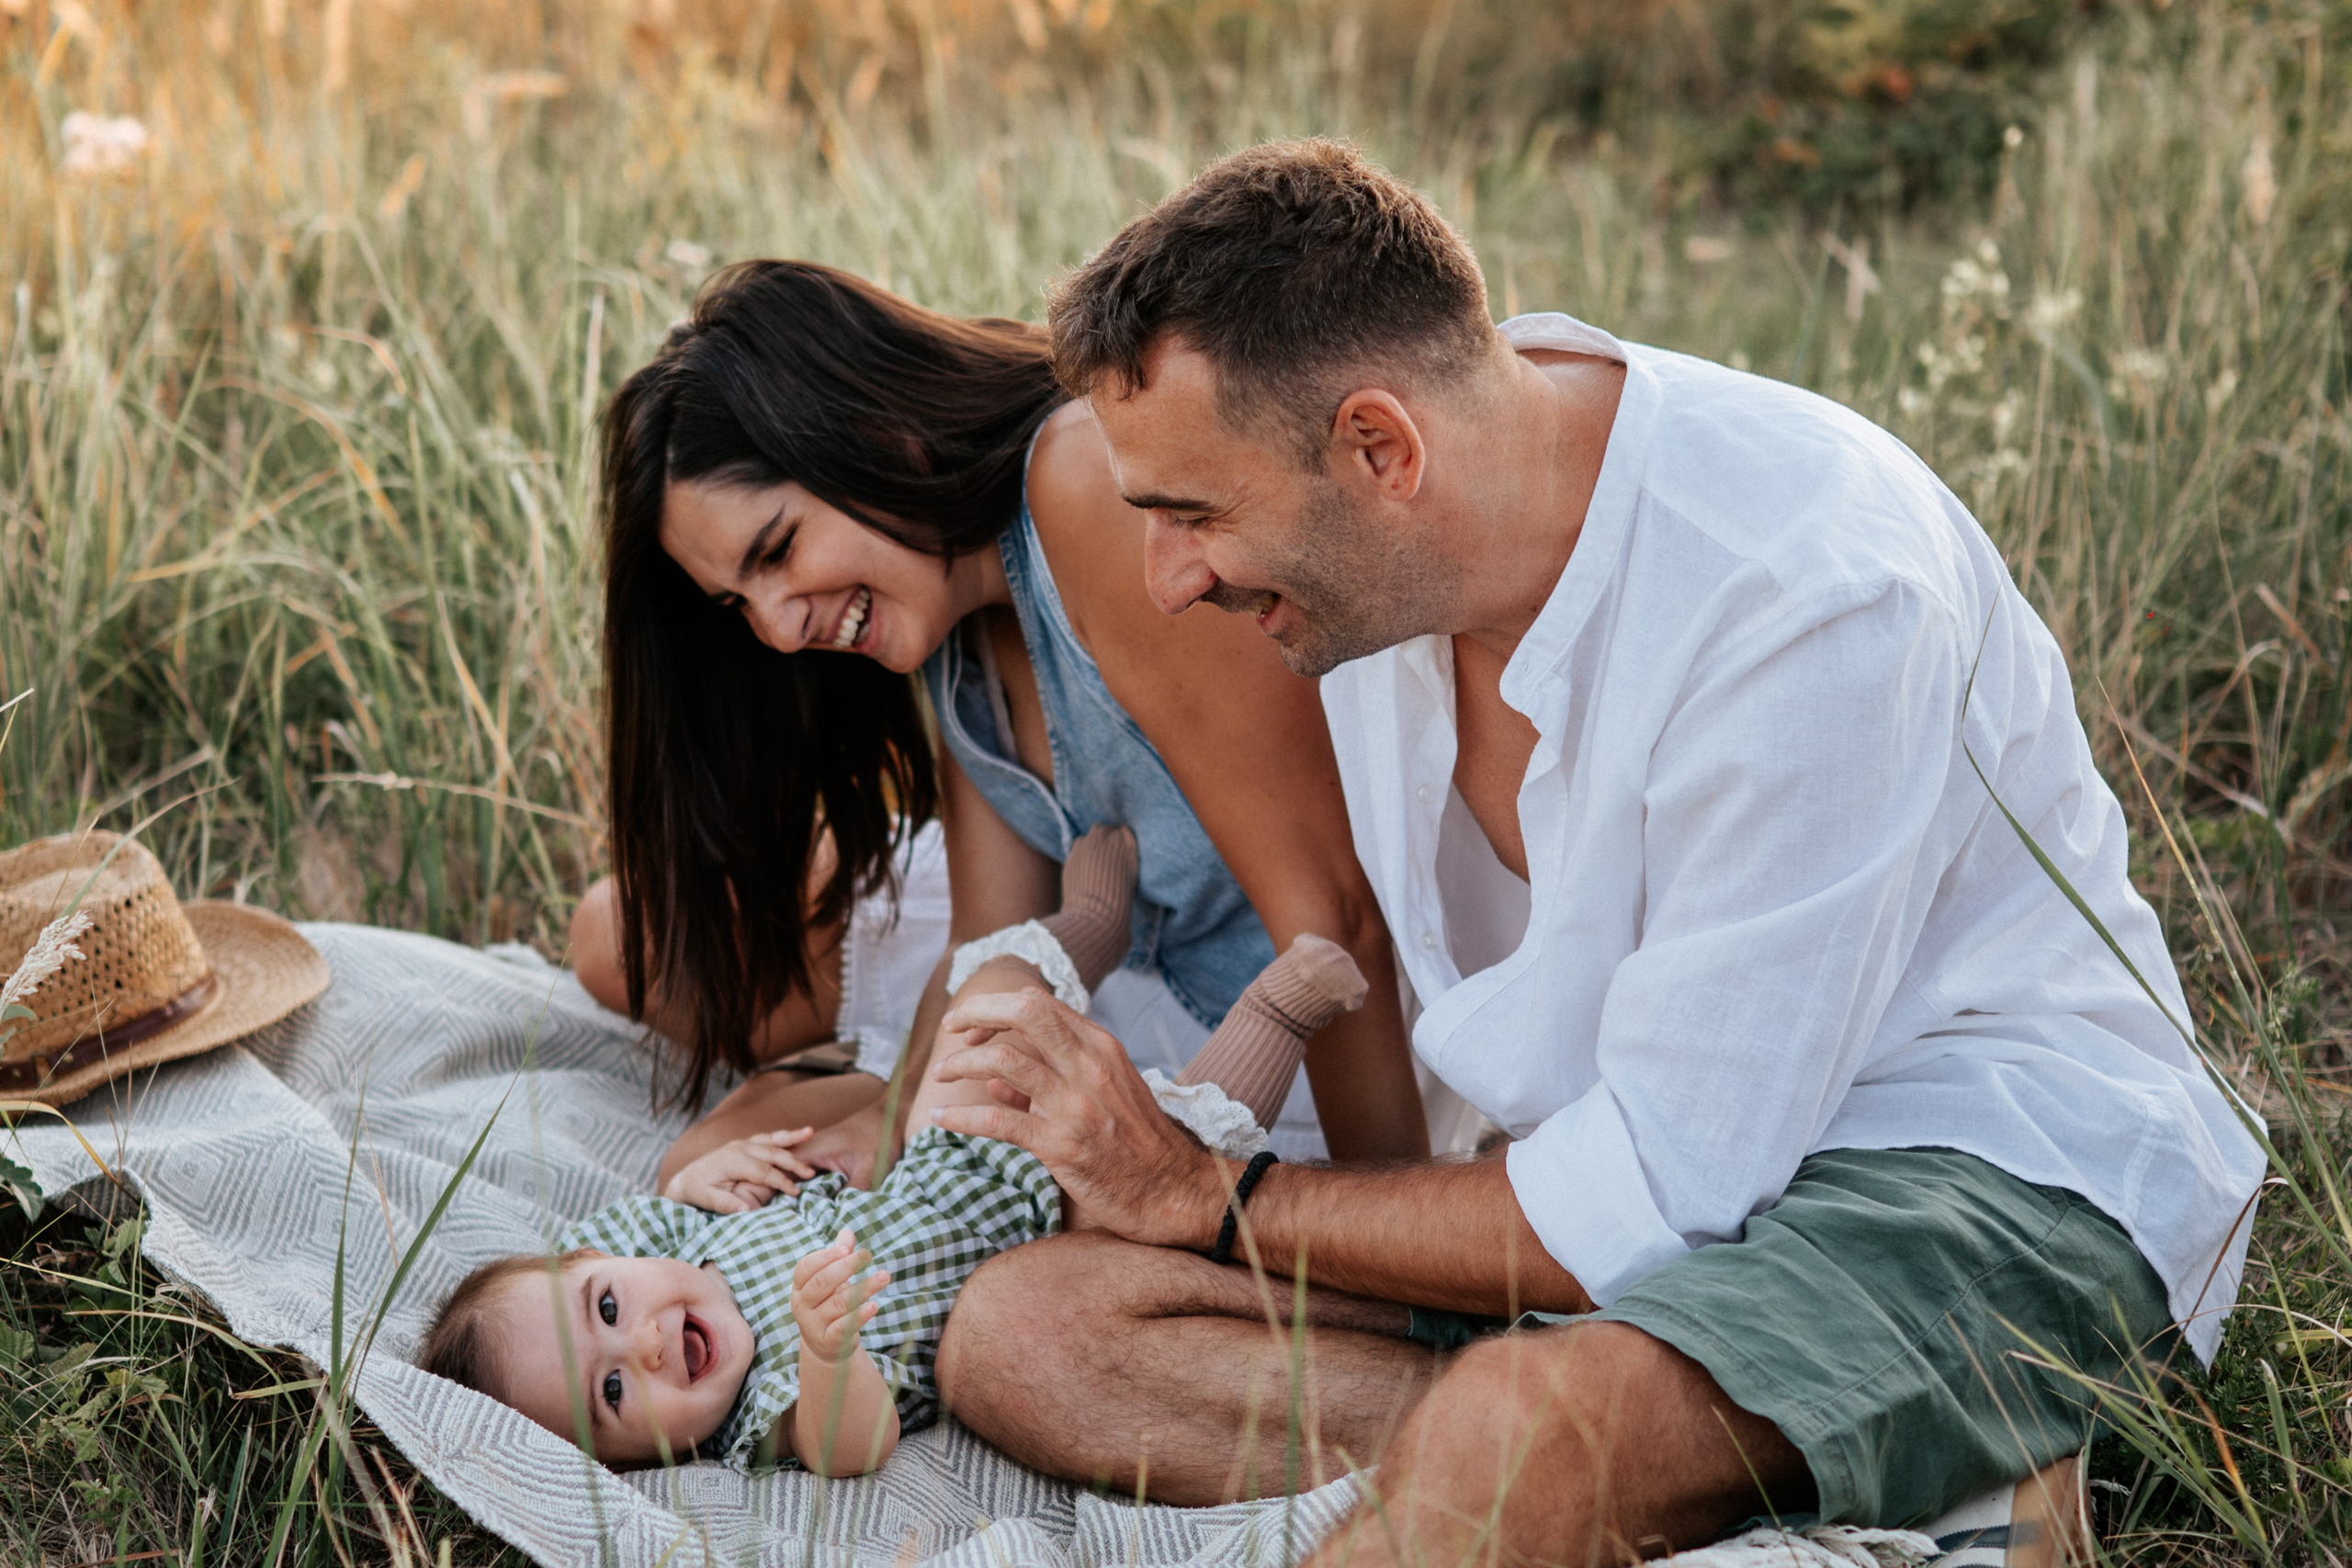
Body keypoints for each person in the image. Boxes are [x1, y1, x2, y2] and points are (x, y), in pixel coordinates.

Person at [919, 141, 2269, 1560]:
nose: (1169, 580)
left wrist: (1225, 1195)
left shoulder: (1808, 591)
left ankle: (1615, 1442)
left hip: (1968, 1172)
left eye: (1193, 513)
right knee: (1028, 1332)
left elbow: (1661, 1190)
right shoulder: (1387, 564)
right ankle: (1826, 1467)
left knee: (1522, 1438)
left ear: (1381, 448)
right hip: (1620, 1197)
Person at [568, 260, 1429, 1184]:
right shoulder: (950, 627)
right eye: (738, 604)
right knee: (665, 1024)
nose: (780, 631)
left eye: (778, 551)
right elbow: (993, 937)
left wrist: (1387, 1231)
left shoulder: (1082, 487)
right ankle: (837, 1078)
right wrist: (891, 1123)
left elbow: (1336, 922)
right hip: (1159, 971)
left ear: (876, 434)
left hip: (1353, 1024)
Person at [419, 829, 1376, 1475]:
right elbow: (851, 1444)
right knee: (1170, 1149)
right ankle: (1279, 1013)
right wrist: (833, 1354)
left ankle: (1087, 926)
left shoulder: (656, 1238)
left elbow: (670, 1191)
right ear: (650, 1459)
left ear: (600, 1256)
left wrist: (701, 1175)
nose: (642, 1341)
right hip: (1047, 1248)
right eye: (615, 1392)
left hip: (945, 1156)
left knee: (982, 1015)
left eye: (609, 1307)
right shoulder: (761, 1405)